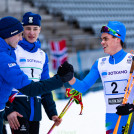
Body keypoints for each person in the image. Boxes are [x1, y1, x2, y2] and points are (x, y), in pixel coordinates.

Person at [0, 16, 74, 134]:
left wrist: (52, 112)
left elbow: (44, 85)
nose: (31, 32)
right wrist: (9, 110)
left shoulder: (42, 55)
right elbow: (16, 85)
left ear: (40, 29)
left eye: (35, 28)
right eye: (27, 29)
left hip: (34, 109)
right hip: (18, 107)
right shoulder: (13, 51)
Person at [57, 21, 134, 133]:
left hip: (130, 117)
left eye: (105, 39)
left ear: (117, 38)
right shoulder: (100, 63)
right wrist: (70, 77)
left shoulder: (131, 61)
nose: (102, 42)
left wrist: (131, 107)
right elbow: (83, 86)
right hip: (111, 117)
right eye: (101, 39)